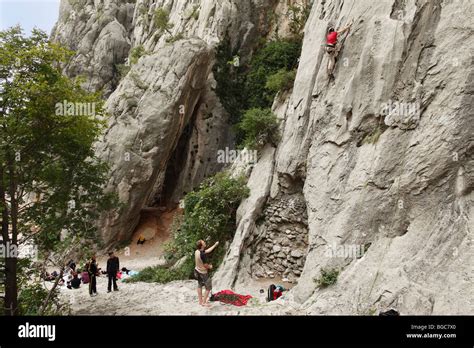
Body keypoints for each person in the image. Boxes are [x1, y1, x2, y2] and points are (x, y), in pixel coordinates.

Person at [194, 240, 219, 307]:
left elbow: (207, 251)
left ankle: (200, 301)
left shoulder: (197, 251)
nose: (205, 243)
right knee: (208, 287)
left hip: (197, 270)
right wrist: (210, 267)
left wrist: (215, 245)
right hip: (203, 273)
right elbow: (205, 265)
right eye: (204, 243)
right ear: (202, 246)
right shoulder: (202, 255)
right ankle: (204, 302)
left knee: (199, 285)